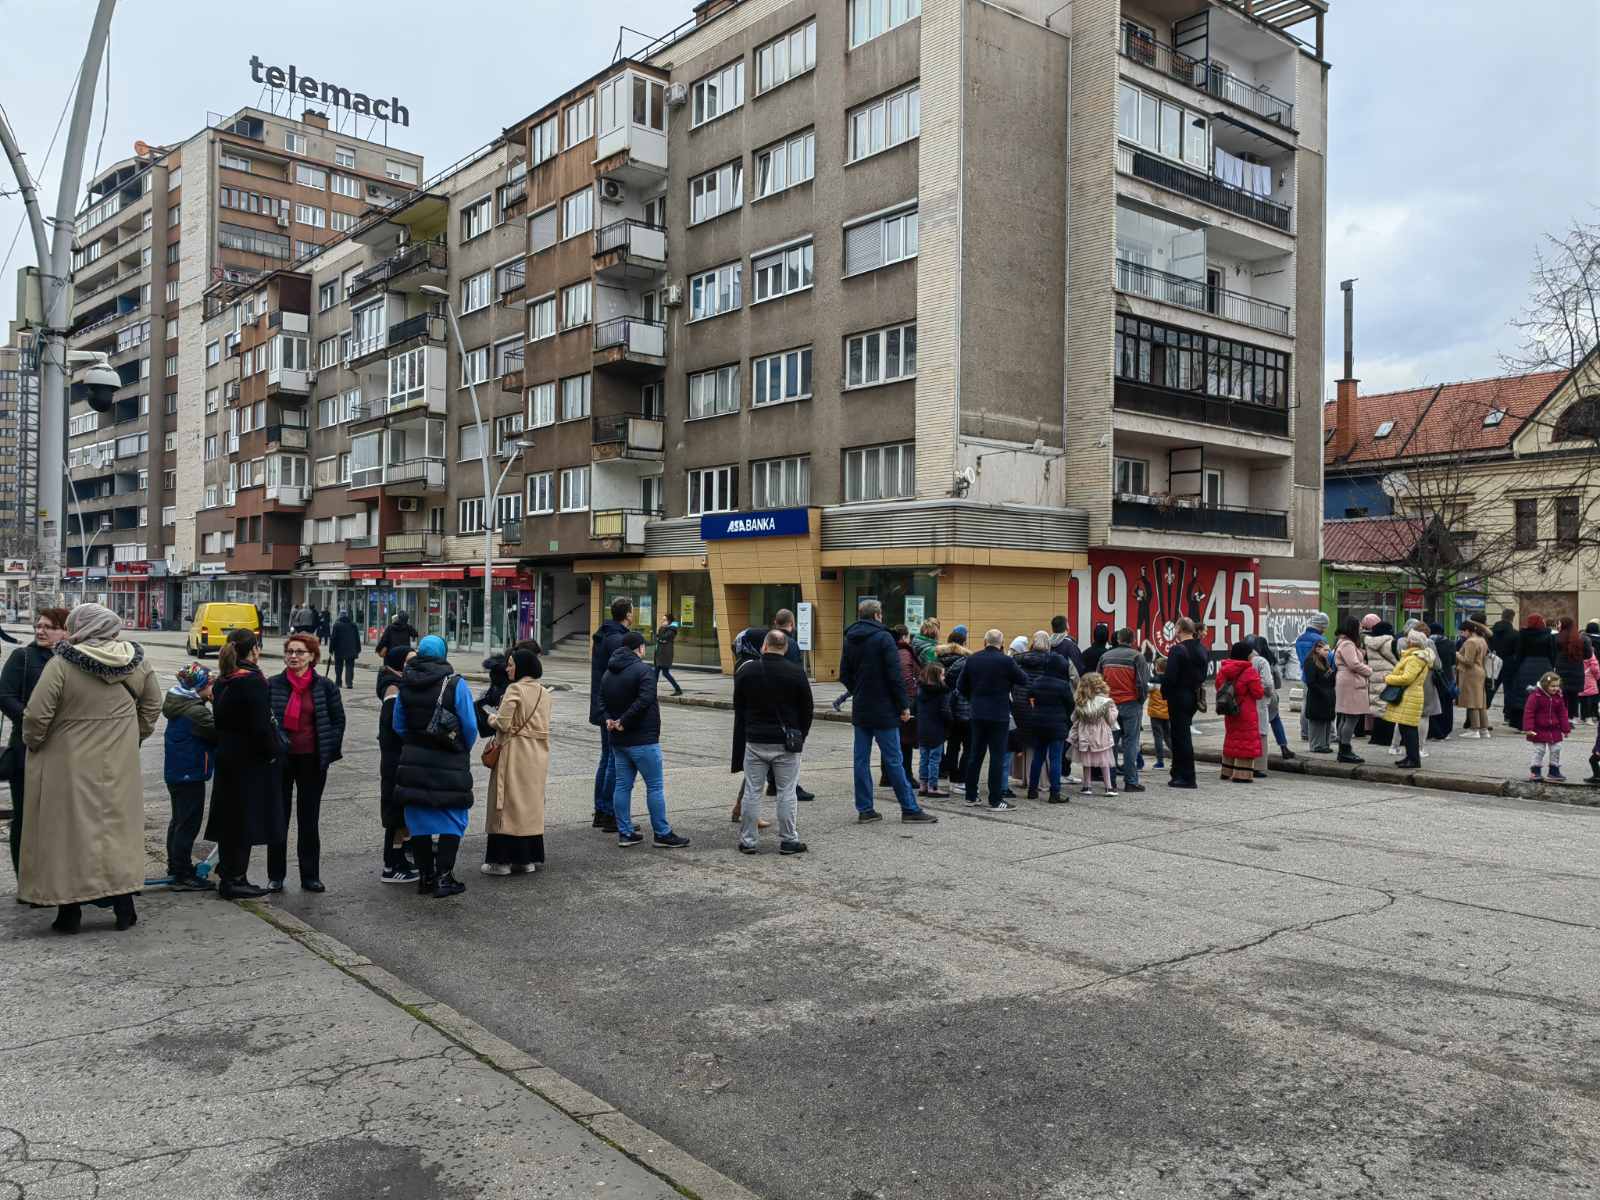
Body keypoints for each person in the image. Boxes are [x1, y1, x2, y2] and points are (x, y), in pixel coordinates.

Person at [19, 603, 162, 933]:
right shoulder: (137, 661)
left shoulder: (62, 664)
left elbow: (37, 716)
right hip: (119, 764)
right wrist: (133, 737)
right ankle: (124, 907)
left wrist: (35, 743)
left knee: (69, 835)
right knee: (117, 833)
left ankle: (69, 912)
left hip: (67, 764)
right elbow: (152, 706)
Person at [395, 635, 479, 897]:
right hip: (449, 761)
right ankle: (444, 878)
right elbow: (470, 726)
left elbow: (398, 725)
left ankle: (425, 878)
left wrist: (415, 741)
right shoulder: (454, 684)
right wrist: (460, 747)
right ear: (443, 654)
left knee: (418, 817)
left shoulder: (405, 684)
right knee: (453, 816)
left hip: (414, 761)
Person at [840, 599, 935, 824]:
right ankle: (909, 808)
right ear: (877, 615)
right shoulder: (884, 638)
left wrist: (858, 689)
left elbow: (844, 673)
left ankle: (865, 809)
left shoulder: (850, 638)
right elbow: (895, 675)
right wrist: (903, 705)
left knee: (861, 760)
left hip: (862, 706)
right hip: (883, 707)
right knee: (894, 760)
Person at [205, 630, 284, 899]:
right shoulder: (252, 681)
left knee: (230, 817)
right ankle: (236, 878)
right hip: (249, 760)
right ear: (254, 650)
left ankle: (228, 873)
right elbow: (260, 725)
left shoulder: (223, 679)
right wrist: (272, 752)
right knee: (245, 819)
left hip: (227, 756)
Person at [266, 633, 345, 893]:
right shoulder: (273, 685)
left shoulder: (325, 686)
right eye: (289, 651)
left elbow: (337, 721)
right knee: (279, 818)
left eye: (299, 652)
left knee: (308, 819)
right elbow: (264, 720)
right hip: (281, 760)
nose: (293, 656)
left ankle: (310, 876)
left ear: (312, 656)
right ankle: (276, 875)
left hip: (312, 760)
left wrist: (329, 749)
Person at [603, 630, 690, 848]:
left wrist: (610, 719)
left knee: (622, 786)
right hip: (643, 739)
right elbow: (645, 699)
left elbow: (601, 700)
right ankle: (662, 833)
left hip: (618, 740)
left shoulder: (609, 672)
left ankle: (625, 833)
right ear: (640, 648)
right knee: (655, 786)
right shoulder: (643, 670)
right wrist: (624, 720)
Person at [0, 607, 68, 879]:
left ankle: (54, 878)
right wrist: (33, 721)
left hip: (63, 752)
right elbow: (4, 696)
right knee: (26, 817)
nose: (40, 631)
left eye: (48, 627)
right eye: (38, 626)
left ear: (66, 631)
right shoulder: (23, 657)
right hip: (26, 748)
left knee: (58, 819)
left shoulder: (73, 660)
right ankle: (26, 879)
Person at [732, 628, 812, 855]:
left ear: (764, 646)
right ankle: (788, 840)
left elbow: (739, 706)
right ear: (785, 648)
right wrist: (800, 735)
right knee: (787, 792)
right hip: (786, 742)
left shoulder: (747, 672)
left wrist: (749, 730)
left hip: (755, 740)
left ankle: (748, 841)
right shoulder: (796, 672)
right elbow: (807, 709)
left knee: (752, 791)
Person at [483, 644, 551, 875]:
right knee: (529, 804)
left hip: (514, 752)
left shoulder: (515, 689)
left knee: (506, 804)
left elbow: (503, 723)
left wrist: (490, 717)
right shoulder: (544, 692)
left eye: (511, 665)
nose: (507, 669)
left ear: (521, 667)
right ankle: (526, 859)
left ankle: (501, 861)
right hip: (537, 754)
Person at [162, 664, 218, 890]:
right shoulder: (196, 712)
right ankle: (183, 873)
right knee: (188, 824)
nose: (214, 688)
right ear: (200, 687)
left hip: (178, 772)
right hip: (190, 774)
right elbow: (219, 732)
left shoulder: (180, 703)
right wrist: (217, 703)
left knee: (179, 821)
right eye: (211, 685)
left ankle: (176, 867)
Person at [958, 628, 1027, 811]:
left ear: (985, 641)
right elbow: (1023, 679)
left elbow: (960, 686)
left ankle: (971, 796)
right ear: (1002, 643)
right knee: (997, 757)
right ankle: (995, 799)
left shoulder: (972, 659)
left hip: (977, 713)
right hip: (999, 714)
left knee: (975, 755)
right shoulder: (1006, 661)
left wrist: (973, 698)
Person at [588, 597, 633, 833]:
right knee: (614, 760)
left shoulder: (605, 634)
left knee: (607, 758)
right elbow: (623, 674)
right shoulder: (617, 640)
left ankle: (601, 810)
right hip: (613, 708)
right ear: (628, 614)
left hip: (602, 704)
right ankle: (607, 812)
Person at [376, 645, 419, 883]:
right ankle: (391, 865)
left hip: (399, 759)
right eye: (410, 661)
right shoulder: (393, 689)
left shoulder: (397, 683)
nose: (414, 665)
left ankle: (399, 858)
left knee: (402, 813)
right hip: (396, 762)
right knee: (396, 814)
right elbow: (394, 726)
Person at [1099, 627, 1149, 793]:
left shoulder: (1105, 657)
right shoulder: (1137, 657)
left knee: (1110, 744)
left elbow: (1098, 681)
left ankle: (1110, 782)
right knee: (1131, 743)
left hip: (1110, 704)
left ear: (1118, 639)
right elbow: (1142, 683)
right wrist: (1140, 700)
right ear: (1132, 640)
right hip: (1131, 704)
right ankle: (1131, 781)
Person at [1161, 618, 1207, 790]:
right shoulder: (1201, 648)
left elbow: (1170, 676)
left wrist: (1164, 692)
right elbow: (1203, 675)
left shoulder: (1177, 650)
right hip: (1193, 695)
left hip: (1178, 696)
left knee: (1180, 737)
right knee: (1183, 733)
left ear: (1179, 629)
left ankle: (1186, 776)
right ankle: (1177, 773)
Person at [1216, 641, 1266, 782]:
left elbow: (1218, 686)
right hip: (1246, 711)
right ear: (1246, 655)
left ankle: (1226, 771)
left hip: (1230, 708)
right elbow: (1258, 693)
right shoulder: (1249, 671)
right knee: (1246, 741)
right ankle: (1241, 774)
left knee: (1232, 739)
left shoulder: (1224, 669)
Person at [1383, 628, 1433, 769]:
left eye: (1408, 639)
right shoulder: (1416, 656)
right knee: (1406, 727)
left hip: (1409, 695)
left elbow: (1407, 678)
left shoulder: (1414, 658)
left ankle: (1413, 759)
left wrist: (1388, 678)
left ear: (1412, 642)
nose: (1406, 641)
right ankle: (1410, 757)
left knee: (1409, 728)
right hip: (1411, 694)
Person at [1027, 654, 1073, 802]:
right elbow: (1070, 705)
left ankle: (1032, 790)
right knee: (1055, 759)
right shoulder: (1063, 685)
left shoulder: (1037, 682)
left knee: (1038, 757)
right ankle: (1054, 793)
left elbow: (1030, 697)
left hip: (1038, 724)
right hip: (1057, 725)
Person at [1503, 614, 1556, 733]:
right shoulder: (1549, 635)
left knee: (1524, 696)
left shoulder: (1523, 634)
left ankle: (1523, 724)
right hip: (1544, 666)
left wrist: (1517, 668)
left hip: (1526, 666)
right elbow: (1553, 654)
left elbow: (1519, 653)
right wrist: (1551, 667)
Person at [1070, 672, 1118, 797]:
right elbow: (1110, 720)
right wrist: (1114, 711)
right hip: (1101, 734)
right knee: (1104, 761)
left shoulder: (1081, 702)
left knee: (1086, 761)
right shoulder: (1106, 701)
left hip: (1084, 734)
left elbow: (1073, 718)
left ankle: (1087, 786)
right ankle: (1108, 787)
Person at [1333, 616, 1372, 763]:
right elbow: (1354, 664)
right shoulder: (1348, 644)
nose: (1361, 629)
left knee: (1345, 717)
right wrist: (1369, 671)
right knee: (1351, 718)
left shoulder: (1343, 642)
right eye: (1359, 626)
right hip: (1351, 682)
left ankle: (1343, 749)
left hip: (1346, 681)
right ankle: (1345, 749)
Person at [936, 627, 973, 784]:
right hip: (964, 707)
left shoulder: (938, 659)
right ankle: (962, 776)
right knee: (969, 745)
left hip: (944, 707)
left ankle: (949, 771)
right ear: (963, 643)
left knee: (952, 743)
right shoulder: (966, 662)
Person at [1523, 671, 1571, 782]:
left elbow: (1562, 713)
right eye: (1552, 686)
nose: (1555, 688)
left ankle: (1554, 771)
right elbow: (1529, 712)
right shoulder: (1536, 696)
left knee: (1556, 748)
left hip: (1554, 728)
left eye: (1557, 686)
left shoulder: (1558, 696)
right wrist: (1528, 728)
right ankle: (1535, 771)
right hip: (1538, 729)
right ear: (1545, 685)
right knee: (1539, 750)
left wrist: (1565, 729)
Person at [915, 661, 952, 798]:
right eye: (942, 675)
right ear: (937, 677)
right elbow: (945, 712)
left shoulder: (920, 690)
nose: (944, 677)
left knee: (924, 758)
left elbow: (915, 708)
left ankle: (923, 785)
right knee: (934, 759)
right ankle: (933, 787)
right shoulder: (942, 692)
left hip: (922, 728)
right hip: (936, 728)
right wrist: (950, 722)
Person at [1363, 617, 1401, 747]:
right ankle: (1387, 738)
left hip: (1374, 677)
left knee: (1378, 706)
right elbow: (1396, 659)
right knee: (1388, 706)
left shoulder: (1369, 643)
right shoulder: (1390, 643)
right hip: (1388, 677)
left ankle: (1377, 737)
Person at [892, 624, 922, 788]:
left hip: (894, 699)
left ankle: (887, 775)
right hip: (905, 700)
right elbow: (906, 676)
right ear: (904, 637)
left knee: (893, 738)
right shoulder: (904, 652)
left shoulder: (892, 650)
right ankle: (906, 775)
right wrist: (910, 698)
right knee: (906, 740)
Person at [1294, 613, 1331, 742]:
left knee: (1305, 704)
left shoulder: (1300, 639)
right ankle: (1325, 734)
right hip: (1320, 676)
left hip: (1305, 674)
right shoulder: (1320, 640)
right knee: (1321, 704)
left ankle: (1305, 732)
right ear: (1321, 626)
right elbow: (1327, 658)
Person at [1456, 620, 1491, 739]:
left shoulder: (1470, 642)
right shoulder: (1482, 640)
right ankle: (1484, 729)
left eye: (1462, 631)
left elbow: (1468, 661)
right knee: (1481, 702)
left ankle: (1474, 729)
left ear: (1468, 631)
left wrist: (1457, 654)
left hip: (1471, 673)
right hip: (1480, 671)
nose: (1461, 634)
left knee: (1472, 701)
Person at [1303, 640, 1336, 753]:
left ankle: (1324, 744)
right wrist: (1323, 692)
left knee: (1326, 721)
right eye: (1325, 650)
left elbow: (1327, 678)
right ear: (1317, 649)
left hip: (1326, 696)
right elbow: (1311, 681)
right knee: (1317, 722)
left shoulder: (1324, 661)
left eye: (1328, 650)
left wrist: (1332, 674)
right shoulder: (1310, 661)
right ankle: (1317, 745)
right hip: (1317, 697)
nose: (1328, 652)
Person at [1427, 622, 1458, 741]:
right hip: (1447, 678)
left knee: (1434, 704)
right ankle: (1446, 730)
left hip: (1432, 677)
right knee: (1447, 705)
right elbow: (1453, 662)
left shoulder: (1428, 643)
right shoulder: (1450, 643)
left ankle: (1435, 731)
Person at [1553, 616, 1588, 722]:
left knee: (1562, 693)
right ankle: (1572, 716)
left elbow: (1552, 653)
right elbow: (1588, 654)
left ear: (1563, 624)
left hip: (1561, 669)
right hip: (1577, 669)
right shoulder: (1581, 639)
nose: (1558, 625)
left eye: (1559, 623)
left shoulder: (1556, 638)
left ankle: (1563, 715)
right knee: (1574, 694)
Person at [1486, 609, 1518, 707]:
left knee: (1490, 688)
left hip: (1493, 663)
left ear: (1501, 616)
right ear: (1512, 618)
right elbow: (1517, 651)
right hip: (1509, 665)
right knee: (1509, 690)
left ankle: (1484, 707)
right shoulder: (1515, 634)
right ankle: (1508, 712)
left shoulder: (1491, 632)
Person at [1146, 659, 1169, 771]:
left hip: (1155, 713)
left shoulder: (1154, 680)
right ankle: (1177, 758)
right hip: (1167, 713)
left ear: (1157, 668)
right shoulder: (1170, 679)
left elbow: (1146, 689)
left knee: (1158, 738)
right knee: (1168, 737)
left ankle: (1160, 761)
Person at [328, 609, 360, 689]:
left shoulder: (337, 625)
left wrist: (331, 649)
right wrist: (358, 648)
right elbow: (357, 638)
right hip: (351, 649)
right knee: (350, 666)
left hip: (339, 649)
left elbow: (333, 638)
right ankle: (349, 683)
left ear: (339, 616)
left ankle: (338, 682)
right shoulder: (353, 625)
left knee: (338, 666)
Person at [653, 616, 683, 697]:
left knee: (665, 673)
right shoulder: (664, 628)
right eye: (662, 619)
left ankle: (678, 689)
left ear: (669, 621)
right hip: (659, 654)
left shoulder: (672, 630)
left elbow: (663, 637)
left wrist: (660, 635)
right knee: (655, 673)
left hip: (665, 655)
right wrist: (660, 636)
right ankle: (651, 690)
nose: (662, 621)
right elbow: (658, 637)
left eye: (664, 620)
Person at [1582, 646, 1600, 726]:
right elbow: (1595, 668)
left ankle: (1583, 716)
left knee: (1583, 699)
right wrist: (1597, 677)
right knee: (1591, 698)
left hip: (1580, 678)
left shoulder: (1577, 653)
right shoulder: (1591, 655)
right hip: (1590, 679)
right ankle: (1591, 716)